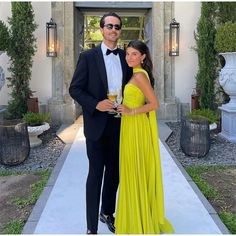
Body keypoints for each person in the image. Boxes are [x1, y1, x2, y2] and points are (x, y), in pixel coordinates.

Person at [69, 12, 132, 234]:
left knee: (114, 173)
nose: (113, 30)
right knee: (96, 173)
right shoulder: (88, 57)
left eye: (117, 26)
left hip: (120, 124)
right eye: (109, 26)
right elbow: (75, 89)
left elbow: (139, 83)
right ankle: (91, 228)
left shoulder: (126, 57)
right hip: (96, 125)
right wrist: (96, 104)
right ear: (102, 29)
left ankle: (107, 213)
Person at [115, 40, 174, 234]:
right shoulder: (134, 74)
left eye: (134, 54)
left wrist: (131, 111)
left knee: (134, 169)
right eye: (127, 54)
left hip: (136, 127)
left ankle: (138, 219)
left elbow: (154, 104)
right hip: (129, 125)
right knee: (131, 169)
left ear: (143, 56)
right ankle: (136, 214)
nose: (129, 57)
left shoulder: (140, 76)